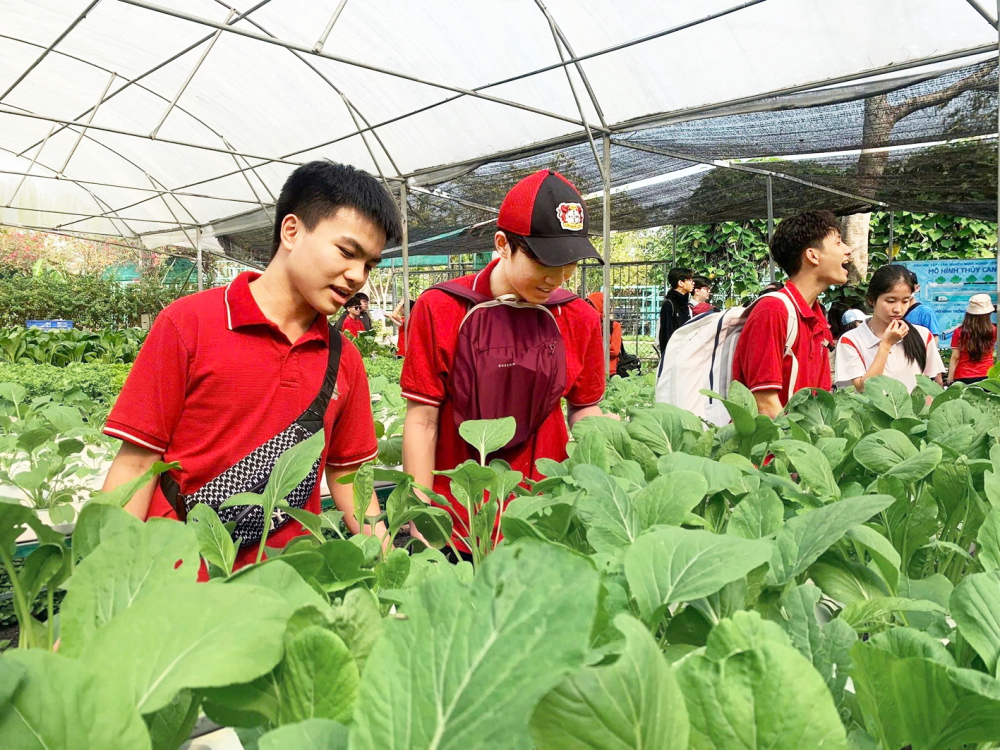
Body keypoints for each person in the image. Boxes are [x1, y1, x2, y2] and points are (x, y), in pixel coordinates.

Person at [101, 160, 397, 576]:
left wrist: (387, 570)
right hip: (176, 582)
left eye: (369, 264)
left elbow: (350, 476)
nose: (356, 276)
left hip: (286, 584)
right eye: (347, 252)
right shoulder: (189, 324)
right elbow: (136, 466)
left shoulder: (344, 359)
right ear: (291, 231)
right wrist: (106, 591)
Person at [400, 169, 609, 556]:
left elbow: (585, 409)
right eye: (544, 261)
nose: (557, 278)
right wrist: (422, 518)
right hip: (459, 523)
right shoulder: (443, 308)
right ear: (502, 244)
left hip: (545, 518)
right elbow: (422, 419)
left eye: (570, 263)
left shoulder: (578, 316)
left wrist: (609, 444)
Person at [732, 210, 851, 417]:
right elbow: (765, 403)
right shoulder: (772, 311)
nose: (847, 250)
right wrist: (795, 447)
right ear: (813, 255)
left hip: (804, 444)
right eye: (839, 243)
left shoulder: (817, 317)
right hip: (774, 447)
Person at [835, 265, 945, 393]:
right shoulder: (851, 340)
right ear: (872, 300)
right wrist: (886, 345)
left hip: (913, 413)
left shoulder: (923, 335)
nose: (898, 309)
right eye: (891, 301)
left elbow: (930, 387)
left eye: (905, 301)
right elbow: (864, 388)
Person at [947, 294, 996, 385]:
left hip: (963, 377)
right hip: (987, 376)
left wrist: (950, 378)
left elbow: (955, 358)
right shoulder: (994, 330)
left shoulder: (960, 331)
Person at [657, 267, 694, 364]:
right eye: (689, 280)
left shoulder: (686, 304)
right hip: (673, 356)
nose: (692, 283)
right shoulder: (669, 304)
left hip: (686, 353)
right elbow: (665, 334)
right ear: (681, 283)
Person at [586, 292, 622, 374]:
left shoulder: (614, 326)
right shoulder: (586, 324)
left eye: (591, 305)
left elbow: (614, 350)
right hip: (591, 369)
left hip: (610, 370)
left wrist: (593, 349)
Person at [903, 270, 942, 344]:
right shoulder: (894, 311)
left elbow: (934, 339)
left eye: (908, 287)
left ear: (917, 288)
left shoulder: (925, 312)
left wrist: (929, 355)